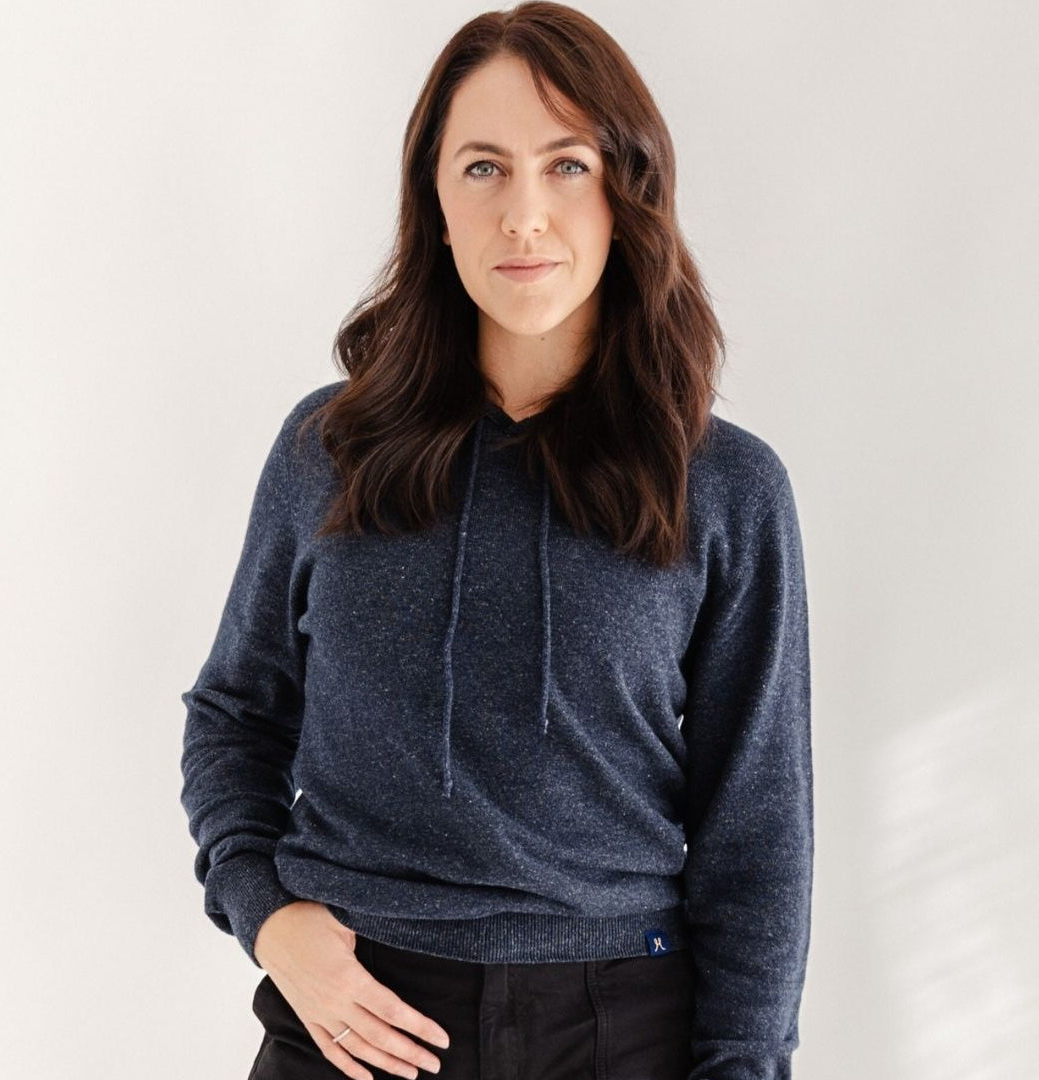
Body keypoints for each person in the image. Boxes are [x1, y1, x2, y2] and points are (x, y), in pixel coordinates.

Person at [179, 3, 814, 1079]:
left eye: (566, 166)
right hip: (354, 1017)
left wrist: (744, 1066)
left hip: (623, 1028)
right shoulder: (329, 450)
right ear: (433, 198)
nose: (524, 215)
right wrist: (267, 915)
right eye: (483, 169)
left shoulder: (725, 489)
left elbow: (757, 836)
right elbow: (235, 716)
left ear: (628, 192)